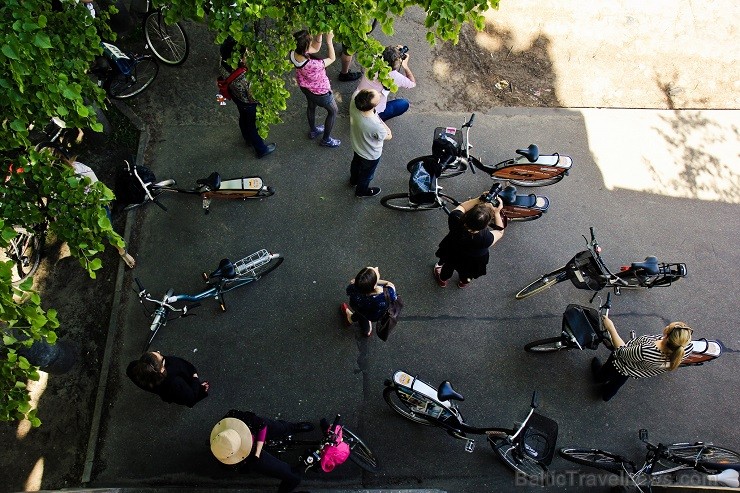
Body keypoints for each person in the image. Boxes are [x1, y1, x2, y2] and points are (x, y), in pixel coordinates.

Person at [55, 149, 135, 268]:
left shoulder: (74, 176)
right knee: (102, 227)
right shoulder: (76, 168)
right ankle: (117, 246)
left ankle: (122, 251)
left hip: (94, 204)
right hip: (95, 201)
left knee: (106, 230)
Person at [210, 410, 314, 492]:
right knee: (293, 478)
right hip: (250, 458)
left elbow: (262, 425)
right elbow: (245, 469)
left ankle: (292, 428)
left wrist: (258, 451)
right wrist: (254, 458)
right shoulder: (230, 461)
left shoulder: (237, 417)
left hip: (255, 450)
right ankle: (296, 472)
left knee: (277, 427)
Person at [591, 320, 695, 402]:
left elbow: (621, 352)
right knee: (617, 383)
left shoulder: (646, 351)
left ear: (667, 336)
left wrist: (611, 328)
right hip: (633, 370)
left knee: (604, 373)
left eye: (668, 327)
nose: (667, 326)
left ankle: (599, 377)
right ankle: (607, 395)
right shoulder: (686, 347)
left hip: (620, 364)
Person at [220, 36, 276, 159]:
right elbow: (253, 97)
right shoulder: (245, 77)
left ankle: (247, 138)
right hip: (248, 103)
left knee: (243, 118)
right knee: (251, 125)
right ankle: (261, 149)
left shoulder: (224, 65)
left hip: (237, 98)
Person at [434, 196, 505, 288]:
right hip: (473, 260)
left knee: (448, 266)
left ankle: (443, 279)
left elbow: (462, 207)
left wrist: (479, 199)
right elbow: (499, 231)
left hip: (453, 251)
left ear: (467, 215)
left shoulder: (455, 218)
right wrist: (497, 212)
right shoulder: (486, 239)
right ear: (486, 225)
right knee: (467, 273)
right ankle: (463, 282)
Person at [290, 30, 341, 148]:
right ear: (306, 47)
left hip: (305, 87)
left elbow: (316, 48)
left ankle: (313, 130)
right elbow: (332, 58)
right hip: (320, 92)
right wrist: (329, 42)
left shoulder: (293, 52)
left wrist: (320, 34)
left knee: (311, 106)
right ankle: (326, 140)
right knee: (333, 111)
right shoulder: (313, 65)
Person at [349, 88, 392, 198]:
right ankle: (361, 192)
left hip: (357, 145)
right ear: (373, 106)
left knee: (356, 164)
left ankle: (353, 181)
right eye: (378, 95)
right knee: (366, 175)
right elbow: (388, 136)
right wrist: (386, 127)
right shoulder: (375, 125)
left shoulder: (354, 100)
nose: (379, 93)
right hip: (370, 154)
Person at [126, 351, 209, 407]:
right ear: (161, 370)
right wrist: (195, 378)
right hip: (182, 390)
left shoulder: (134, 368)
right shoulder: (175, 381)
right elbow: (191, 399)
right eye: (161, 358)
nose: (159, 352)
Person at [356, 45, 416, 121]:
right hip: (373, 111)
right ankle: (379, 119)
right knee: (404, 104)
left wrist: (393, 51)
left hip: (358, 97)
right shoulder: (395, 76)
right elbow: (412, 83)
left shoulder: (372, 60)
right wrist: (405, 66)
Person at [341, 266, 397, 337]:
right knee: (366, 317)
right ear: (374, 286)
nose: (376, 267)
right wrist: (376, 281)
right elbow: (389, 284)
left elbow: (348, 291)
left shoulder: (353, 287)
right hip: (374, 315)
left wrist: (357, 283)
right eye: (376, 270)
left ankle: (350, 319)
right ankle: (367, 330)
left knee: (360, 314)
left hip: (358, 307)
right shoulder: (388, 292)